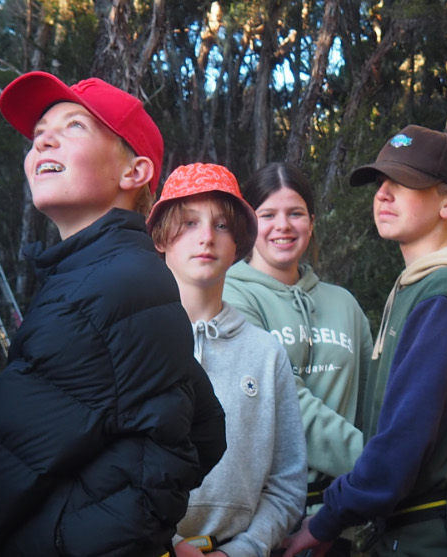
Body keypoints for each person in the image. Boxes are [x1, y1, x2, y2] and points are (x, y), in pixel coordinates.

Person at [0, 71, 228, 556]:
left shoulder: (99, 289)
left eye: (74, 126)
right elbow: (206, 431)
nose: (44, 140)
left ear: (134, 173)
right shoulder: (127, 275)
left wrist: (80, 531)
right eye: (38, 135)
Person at [282, 124, 447, 557]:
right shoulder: (419, 286)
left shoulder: (446, 291)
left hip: (437, 536)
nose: (383, 195)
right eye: (381, 184)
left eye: (405, 183)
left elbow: (402, 444)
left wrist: (328, 519)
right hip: (412, 530)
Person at [151, 163, 308, 557]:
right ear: (160, 237)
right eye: (188, 223)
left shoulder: (266, 352)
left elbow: (287, 482)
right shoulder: (134, 344)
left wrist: (244, 550)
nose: (206, 237)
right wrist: (166, 544)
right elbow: (106, 468)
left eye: (221, 225)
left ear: (238, 241)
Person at [221, 163, 370, 525]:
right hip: (260, 516)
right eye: (268, 214)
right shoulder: (227, 297)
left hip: (339, 512)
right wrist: (379, 463)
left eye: (296, 214)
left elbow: (370, 398)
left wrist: (366, 492)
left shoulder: (344, 303)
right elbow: (285, 402)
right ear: (248, 223)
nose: (283, 225)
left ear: (312, 223)